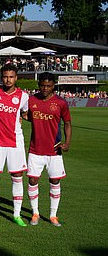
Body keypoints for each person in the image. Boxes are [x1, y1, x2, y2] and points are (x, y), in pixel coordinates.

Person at [0, 64, 29, 227]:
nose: (8, 80)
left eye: (11, 76)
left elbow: (25, 113)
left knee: (17, 177)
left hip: (15, 142)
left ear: (16, 77)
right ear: (1, 77)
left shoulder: (24, 96)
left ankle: (16, 214)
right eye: (5, 76)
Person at [26, 72, 72, 227]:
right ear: (38, 85)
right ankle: (35, 213)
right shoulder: (32, 100)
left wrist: (67, 142)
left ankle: (53, 215)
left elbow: (67, 123)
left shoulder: (61, 103)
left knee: (55, 180)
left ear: (54, 86)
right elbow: (27, 115)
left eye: (48, 86)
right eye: (42, 85)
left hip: (54, 149)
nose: (45, 88)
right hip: (35, 149)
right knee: (33, 180)